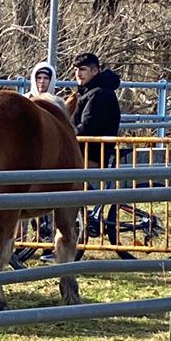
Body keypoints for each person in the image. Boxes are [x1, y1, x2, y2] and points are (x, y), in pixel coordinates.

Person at [71, 52, 128, 252]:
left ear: (95, 71)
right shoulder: (89, 91)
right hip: (88, 151)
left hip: (92, 154)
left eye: (83, 69)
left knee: (66, 186)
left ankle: (75, 234)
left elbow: (87, 127)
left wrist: (65, 134)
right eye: (76, 70)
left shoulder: (99, 94)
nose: (78, 73)